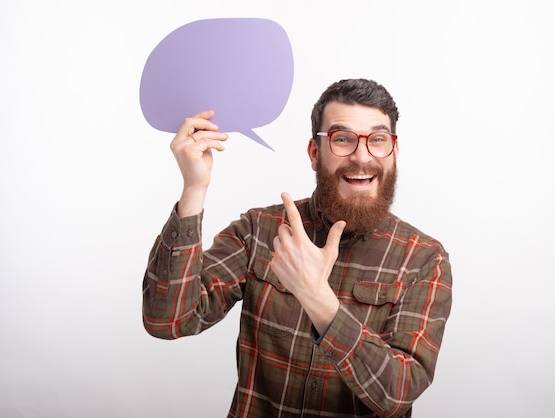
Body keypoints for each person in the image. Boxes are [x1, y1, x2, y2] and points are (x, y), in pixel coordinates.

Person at [142, 78, 452, 417]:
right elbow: (168, 320)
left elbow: (398, 392)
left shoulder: (424, 259)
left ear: (393, 152)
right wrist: (193, 189)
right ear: (315, 153)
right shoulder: (259, 230)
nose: (362, 157)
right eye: (342, 139)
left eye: (378, 140)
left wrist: (318, 300)